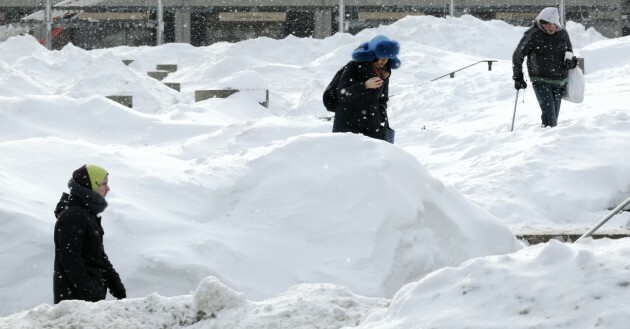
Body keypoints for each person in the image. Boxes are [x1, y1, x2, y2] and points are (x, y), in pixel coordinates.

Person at [53, 164, 126, 304]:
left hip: (87, 299)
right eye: (104, 184)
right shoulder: (73, 216)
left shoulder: (87, 215)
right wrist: (90, 294)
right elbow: (70, 259)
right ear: (91, 185)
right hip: (76, 304)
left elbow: (98, 255)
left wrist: (116, 286)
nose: (108, 188)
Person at [512, 7, 578, 128]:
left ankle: (546, 137)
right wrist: (518, 77)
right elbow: (518, 55)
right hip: (541, 80)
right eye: (546, 24)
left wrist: (572, 62)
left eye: (553, 24)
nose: (550, 27)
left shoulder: (563, 33)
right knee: (550, 118)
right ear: (541, 23)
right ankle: (548, 141)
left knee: (553, 118)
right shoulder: (533, 34)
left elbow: (569, 52)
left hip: (559, 81)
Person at [332, 35, 401, 140]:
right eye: (380, 56)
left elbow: (382, 98)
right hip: (348, 124)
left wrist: (380, 116)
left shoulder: (385, 71)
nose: (383, 60)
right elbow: (342, 93)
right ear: (372, 55)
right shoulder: (354, 66)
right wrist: (364, 85)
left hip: (372, 126)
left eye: (386, 57)